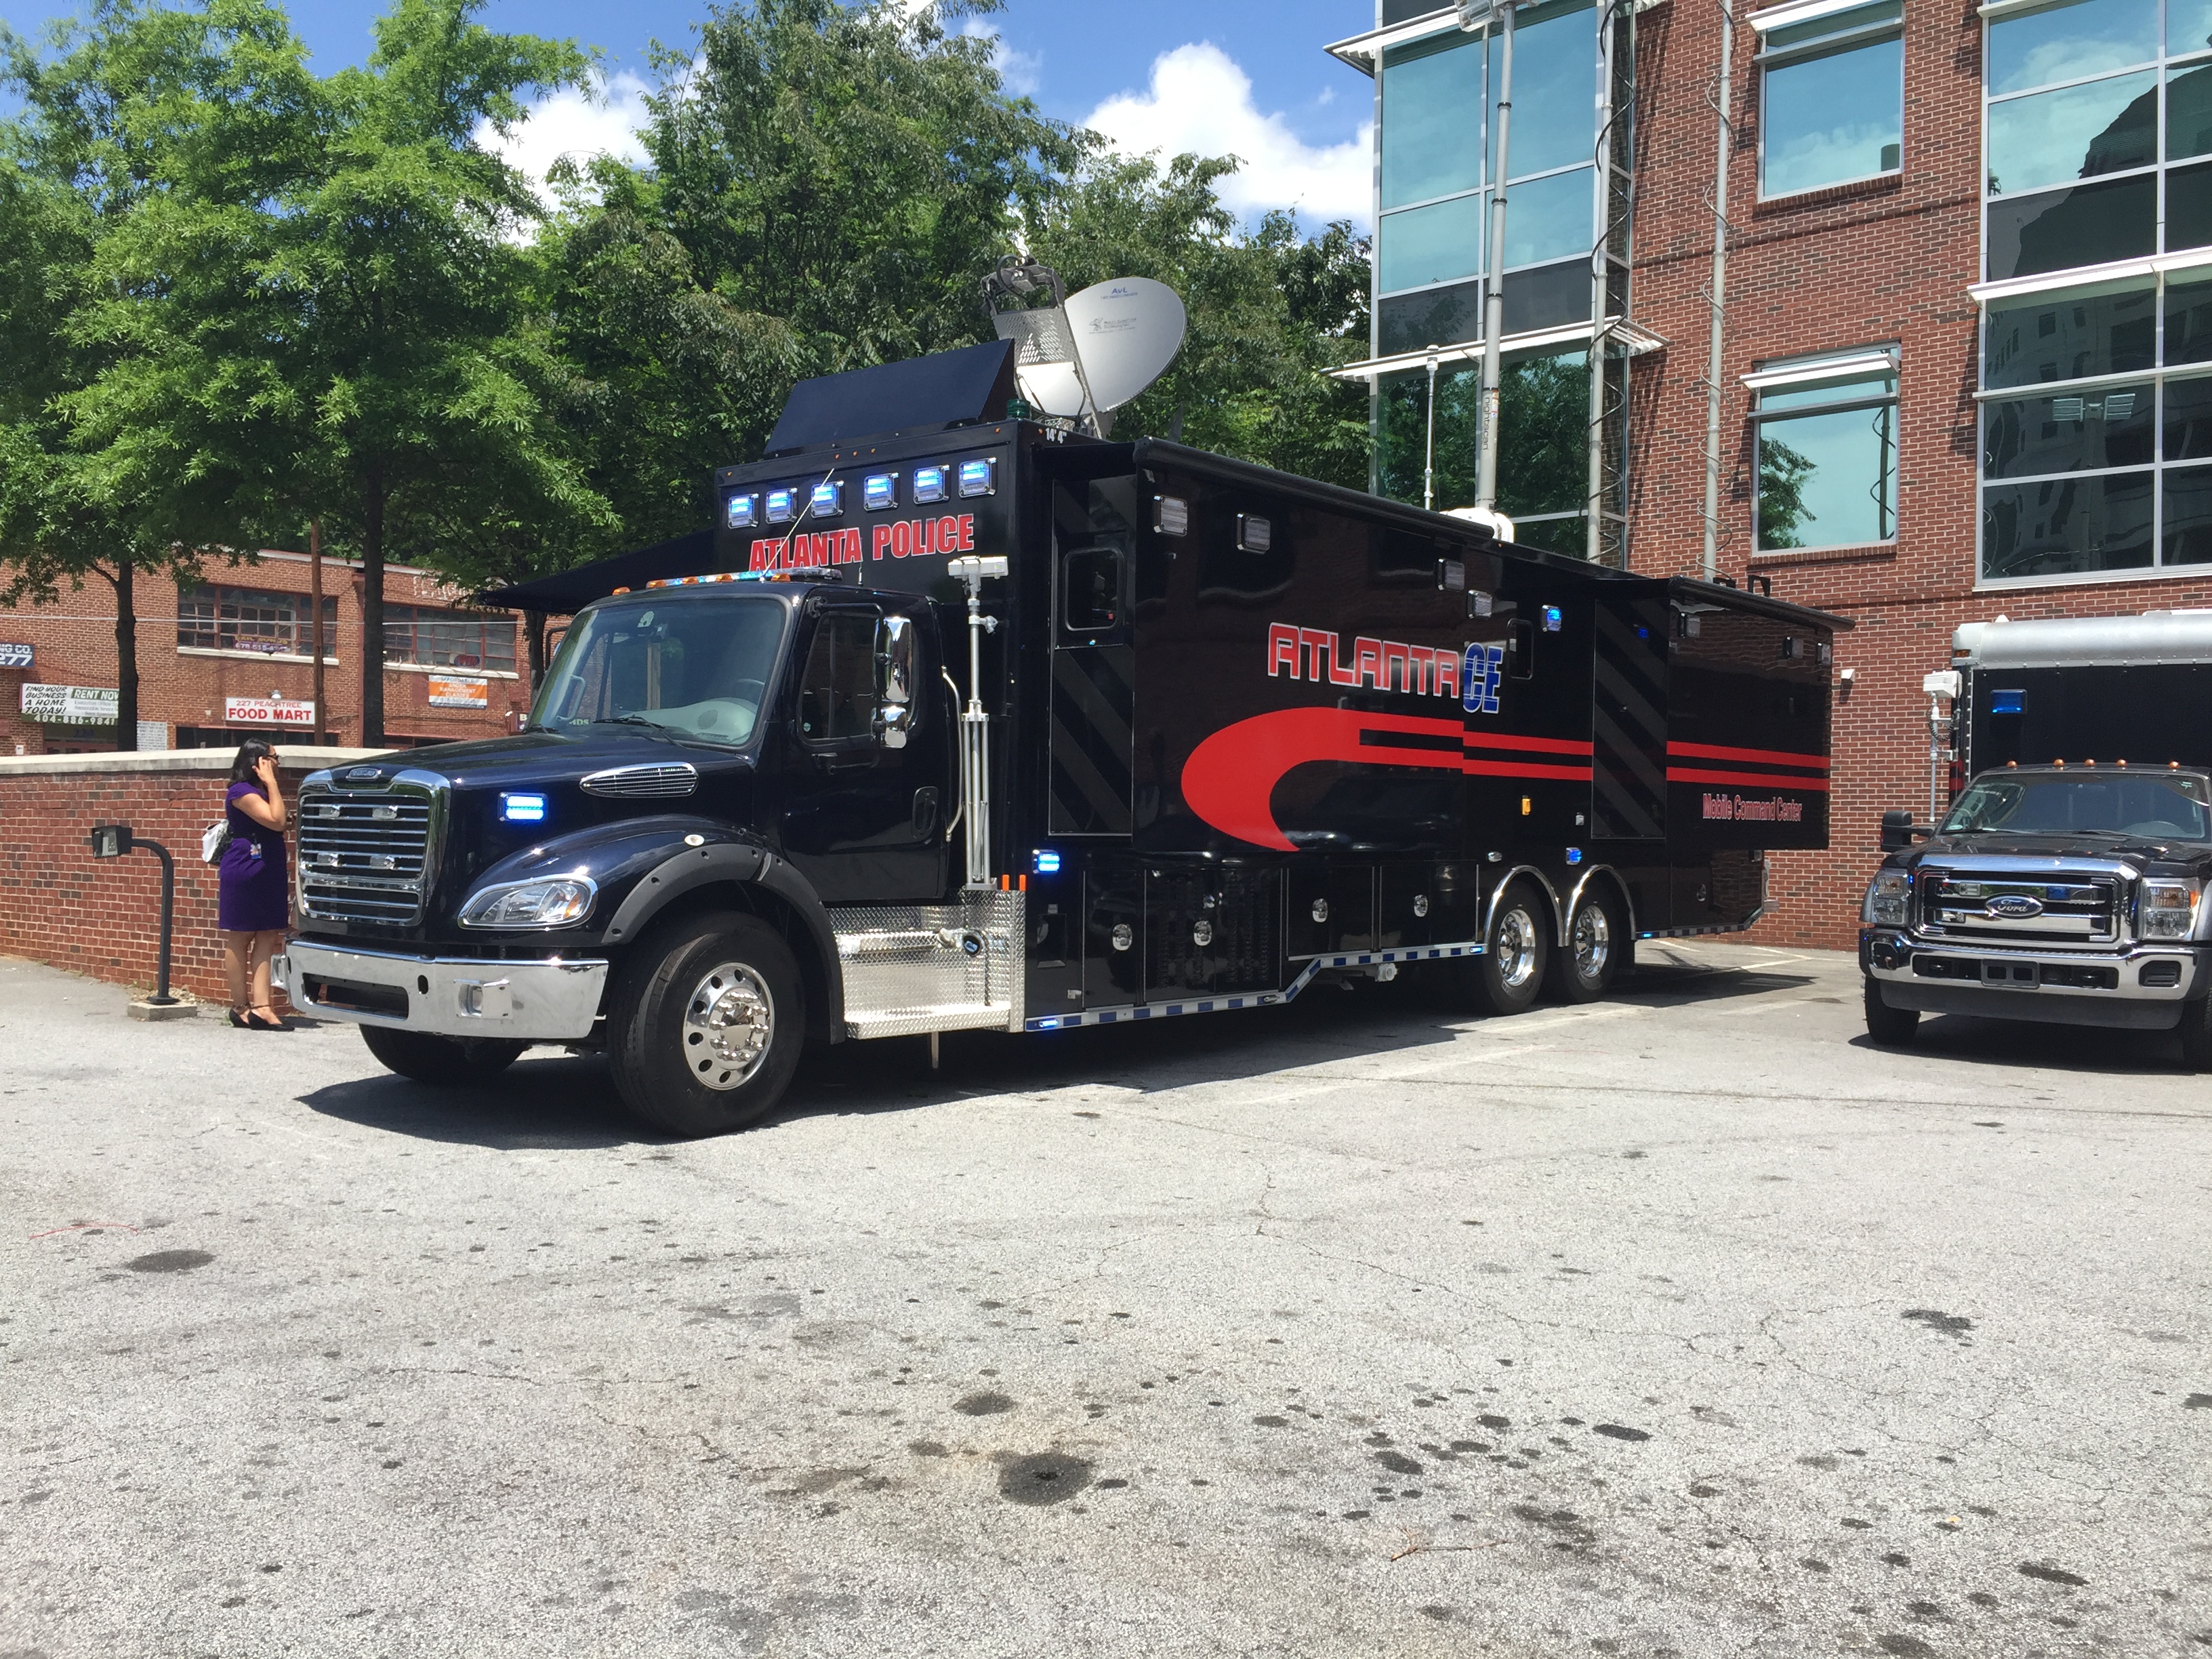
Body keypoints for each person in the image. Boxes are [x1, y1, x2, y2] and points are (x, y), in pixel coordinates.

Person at [218, 739, 291, 1030]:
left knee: (268, 934)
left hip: (269, 867)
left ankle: (263, 1006)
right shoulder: (241, 791)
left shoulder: (261, 791)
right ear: (258, 762)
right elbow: (276, 821)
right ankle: (240, 1006)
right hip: (245, 867)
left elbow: (282, 820)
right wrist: (271, 782)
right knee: (241, 935)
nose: (277, 763)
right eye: (274, 758)